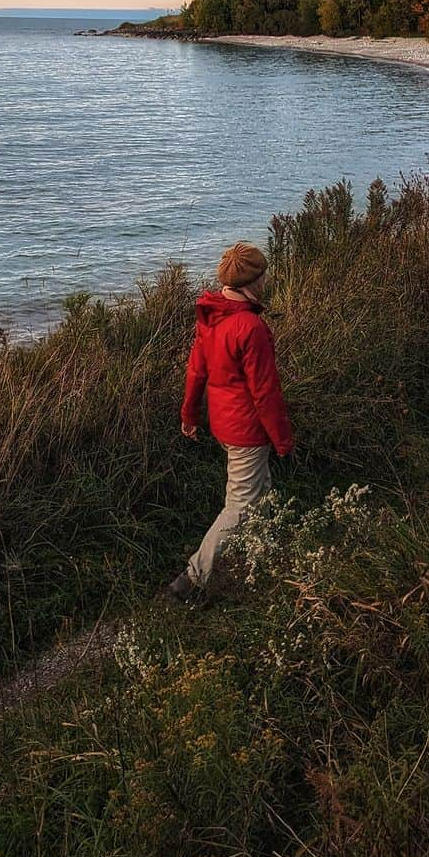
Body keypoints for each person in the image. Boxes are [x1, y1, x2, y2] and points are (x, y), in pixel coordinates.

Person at [163, 241, 294, 601]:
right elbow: (265, 394)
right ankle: (192, 578)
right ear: (253, 281)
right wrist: (283, 440)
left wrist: (189, 414)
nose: (267, 280)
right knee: (240, 507)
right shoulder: (250, 327)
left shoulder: (211, 316)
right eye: (264, 275)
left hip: (224, 425)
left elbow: (195, 371)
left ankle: (261, 557)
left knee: (260, 491)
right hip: (247, 430)